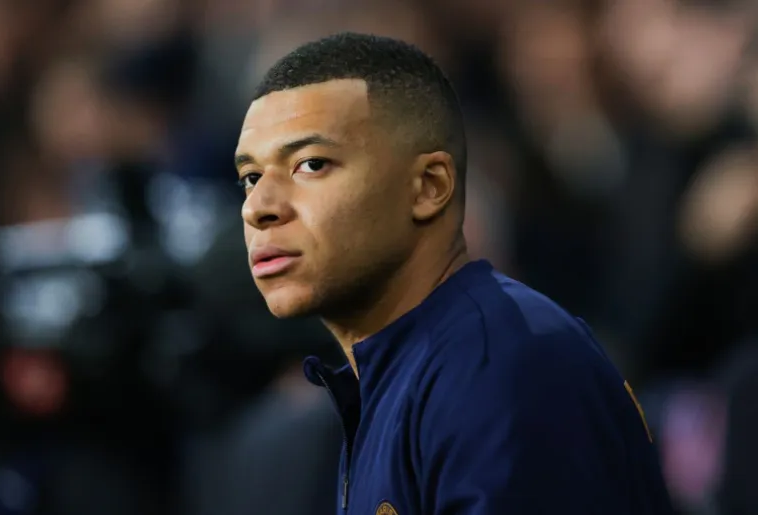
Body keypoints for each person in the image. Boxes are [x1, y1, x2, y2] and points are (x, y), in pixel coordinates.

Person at [234, 32, 674, 514]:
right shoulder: (409, 370)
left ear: (429, 186)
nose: (258, 207)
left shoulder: (499, 365)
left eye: (311, 164)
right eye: (251, 177)